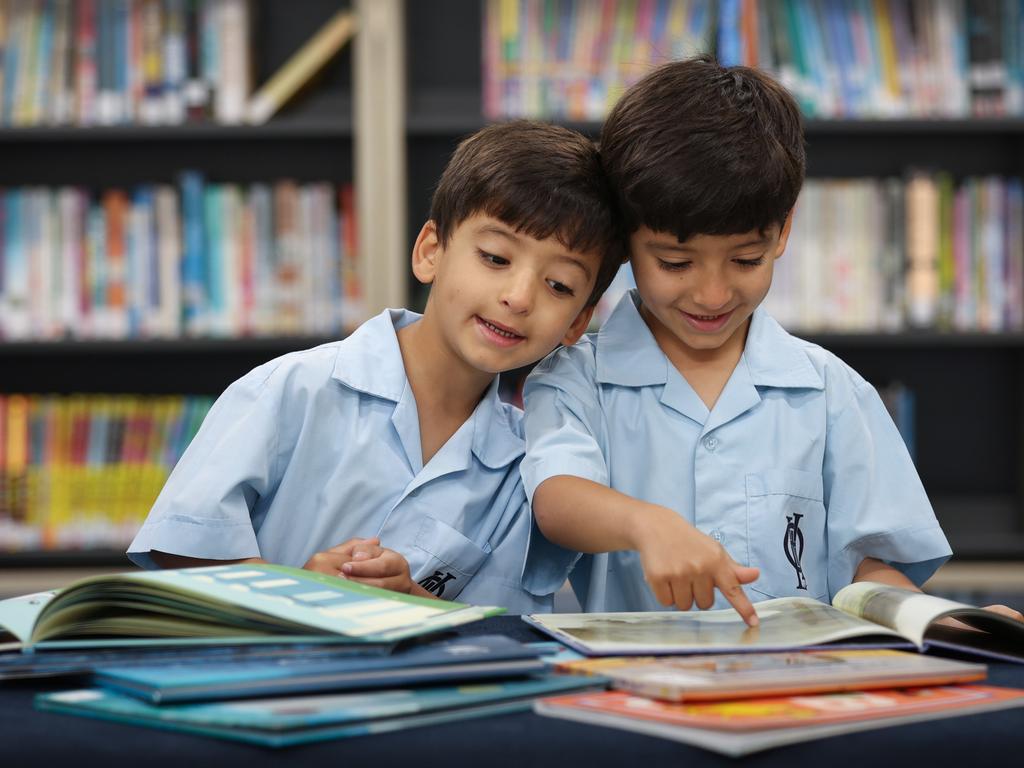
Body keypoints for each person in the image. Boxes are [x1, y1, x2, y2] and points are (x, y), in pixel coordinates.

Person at [520, 56, 1023, 625]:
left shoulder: (830, 391)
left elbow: (868, 570)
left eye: (745, 259)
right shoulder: (574, 380)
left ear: (783, 229)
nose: (712, 294)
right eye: (675, 262)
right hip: (641, 690)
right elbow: (557, 498)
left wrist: (931, 617)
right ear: (627, 239)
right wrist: (645, 524)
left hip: (803, 695)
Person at [128, 120, 624, 613]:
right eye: (495, 257)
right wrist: (293, 592)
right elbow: (180, 553)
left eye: (558, 285)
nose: (518, 298)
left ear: (578, 322)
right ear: (431, 252)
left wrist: (414, 603)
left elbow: (496, 631)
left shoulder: (529, 469)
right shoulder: (292, 389)